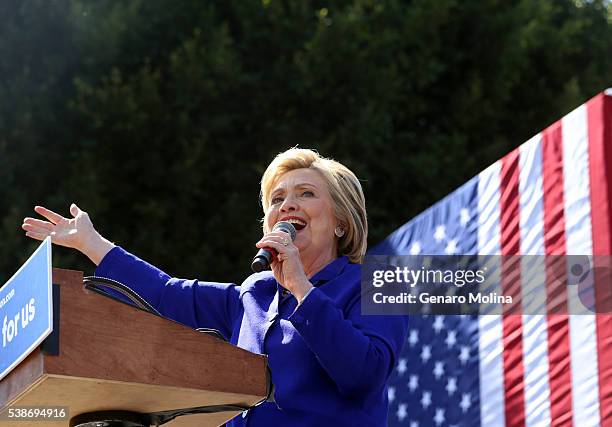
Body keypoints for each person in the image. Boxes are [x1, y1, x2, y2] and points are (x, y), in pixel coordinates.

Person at [22, 148, 408, 426]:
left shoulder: (380, 282)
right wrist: (91, 243)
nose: (287, 205)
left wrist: (303, 290)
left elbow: (365, 375)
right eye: (277, 199)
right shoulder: (252, 294)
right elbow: (166, 294)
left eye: (306, 193)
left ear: (341, 222)